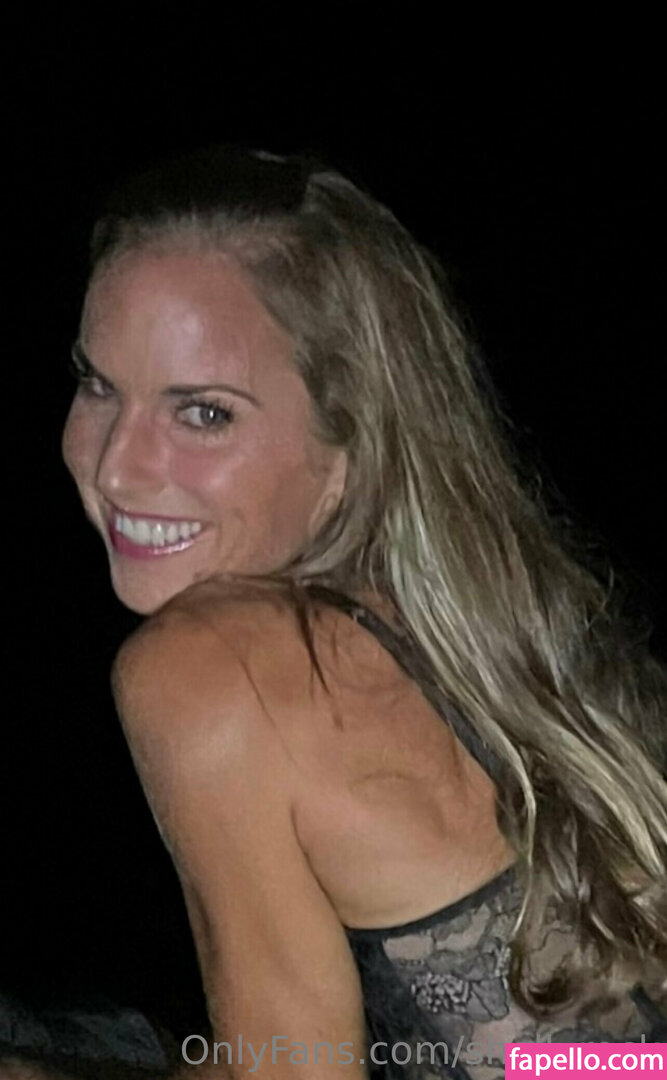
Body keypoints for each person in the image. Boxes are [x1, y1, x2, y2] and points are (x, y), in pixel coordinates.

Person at [16, 144, 667, 1078]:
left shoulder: (209, 667)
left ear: (350, 441)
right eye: (97, 385)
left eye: (204, 413)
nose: (117, 466)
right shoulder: (501, 635)